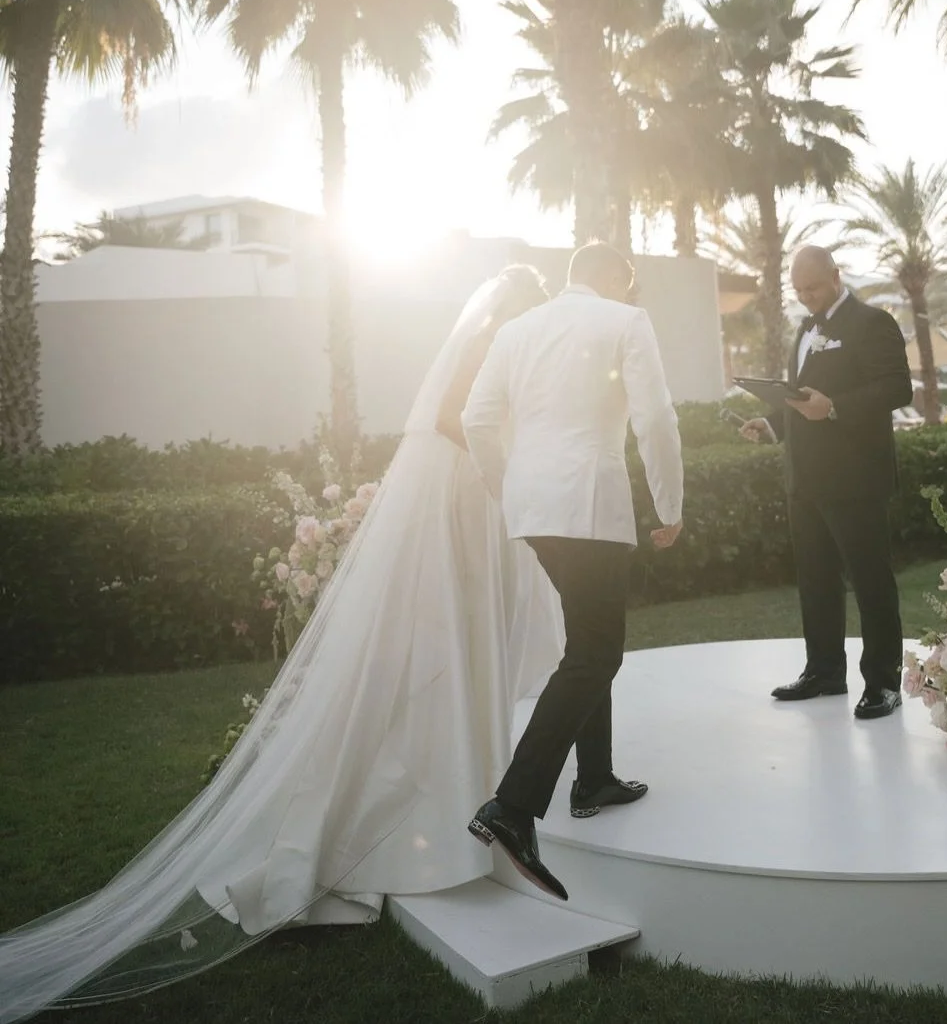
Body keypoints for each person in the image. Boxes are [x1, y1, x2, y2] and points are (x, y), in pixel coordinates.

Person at [0, 266, 565, 1024]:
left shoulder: (502, 340)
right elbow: (450, 417)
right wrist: (511, 464)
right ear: (517, 307)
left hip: (470, 498)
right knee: (442, 650)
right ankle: (408, 818)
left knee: (456, 650)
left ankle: (461, 795)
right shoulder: (491, 340)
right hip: (462, 498)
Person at [462, 242, 684, 900]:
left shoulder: (517, 329)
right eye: (628, 277)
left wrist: (509, 487)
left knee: (586, 640)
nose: (630, 288)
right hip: (588, 505)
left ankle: (594, 778)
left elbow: (476, 419)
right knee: (596, 652)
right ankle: (513, 804)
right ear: (610, 273)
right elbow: (655, 418)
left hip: (533, 509)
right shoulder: (625, 320)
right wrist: (670, 505)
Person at [740, 246, 913, 721]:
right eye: (798, 290)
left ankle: (883, 682)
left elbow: (897, 387)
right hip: (805, 480)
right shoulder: (804, 328)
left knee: (871, 582)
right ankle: (824, 671)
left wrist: (835, 406)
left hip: (856, 480)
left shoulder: (873, 322)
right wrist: (772, 422)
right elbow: (802, 398)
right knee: (815, 581)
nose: (805, 296)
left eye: (812, 287)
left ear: (836, 276)